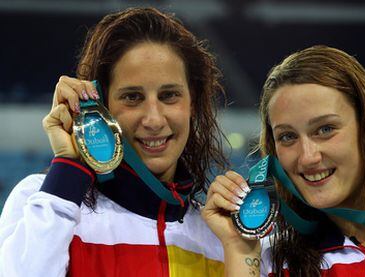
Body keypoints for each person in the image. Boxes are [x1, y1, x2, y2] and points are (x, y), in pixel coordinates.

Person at [0, 7, 230, 276]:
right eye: (132, 97)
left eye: (169, 96)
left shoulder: (219, 237)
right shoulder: (41, 201)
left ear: (193, 103)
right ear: (102, 105)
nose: (154, 120)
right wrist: (69, 169)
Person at [202, 45, 365, 276]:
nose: (308, 157)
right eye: (288, 137)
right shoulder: (271, 261)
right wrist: (239, 249)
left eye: (325, 129)